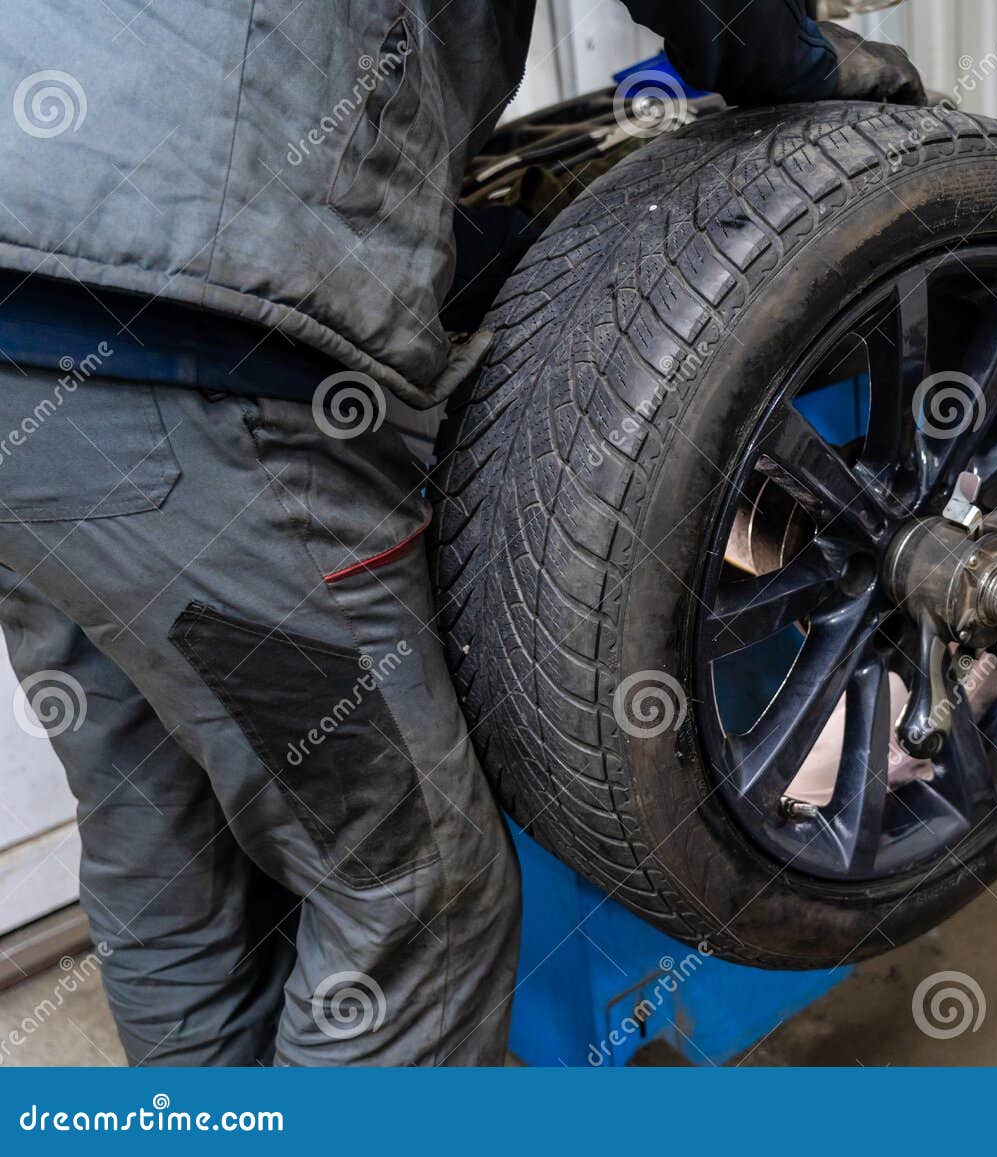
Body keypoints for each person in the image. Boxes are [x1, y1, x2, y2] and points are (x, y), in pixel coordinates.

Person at [0, 1, 923, 1066]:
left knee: (164, 843)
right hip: (191, 351)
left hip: (50, 348)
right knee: (415, 895)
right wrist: (821, 62)